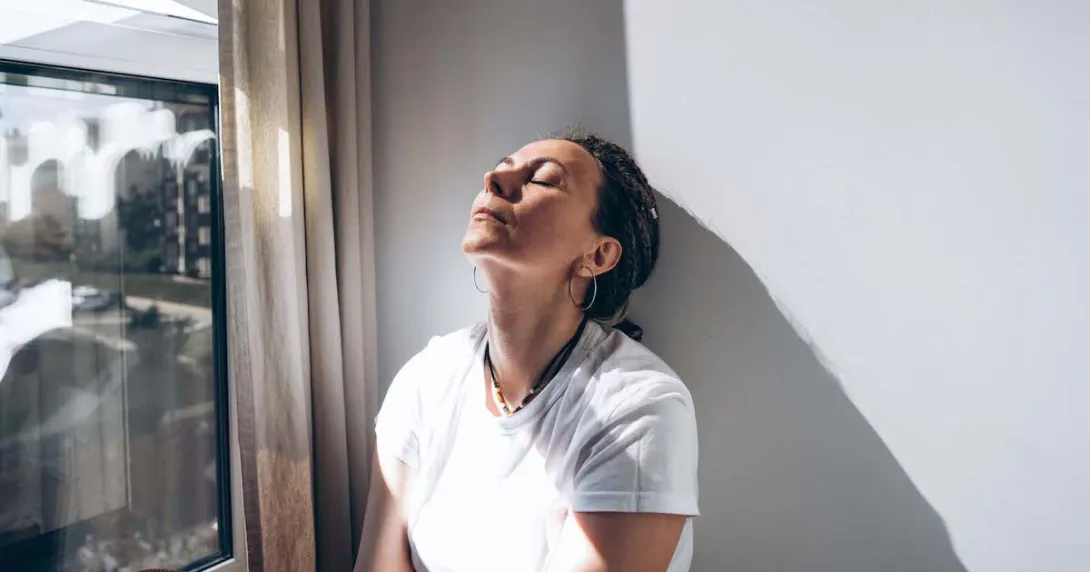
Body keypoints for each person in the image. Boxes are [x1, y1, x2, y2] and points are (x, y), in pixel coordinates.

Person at [357, 131, 699, 572]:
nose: (494, 177)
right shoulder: (426, 379)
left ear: (597, 254)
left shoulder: (639, 409)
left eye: (541, 179)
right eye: (501, 166)